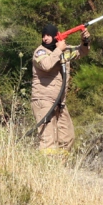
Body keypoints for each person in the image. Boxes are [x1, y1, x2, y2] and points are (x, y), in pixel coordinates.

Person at [31, 23, 85, 154]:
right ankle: (47, 171)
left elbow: (81, 52)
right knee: (49, 141)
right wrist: (58, 50)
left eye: (49, 35)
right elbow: (46, 64)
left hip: (59, 102)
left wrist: (85, 41)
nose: (45, 38)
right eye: (44, 35)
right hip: (43, 100)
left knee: (67, 138)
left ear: (56, 35)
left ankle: (60, 168)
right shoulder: (40, 52)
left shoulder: (62, 51)